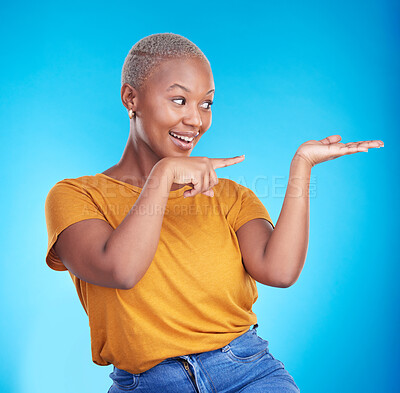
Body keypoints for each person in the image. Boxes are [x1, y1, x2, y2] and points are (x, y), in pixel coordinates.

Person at [44, 33, 384, 393]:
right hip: (147, 385)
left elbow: (280, 271)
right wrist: (163, 176)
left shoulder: (229, 197)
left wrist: (302, 166)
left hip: (247, 371)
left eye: (206, 104)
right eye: (179, 100)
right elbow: (121, 270)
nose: (196, 120)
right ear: (131, 98)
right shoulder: (76, 195)